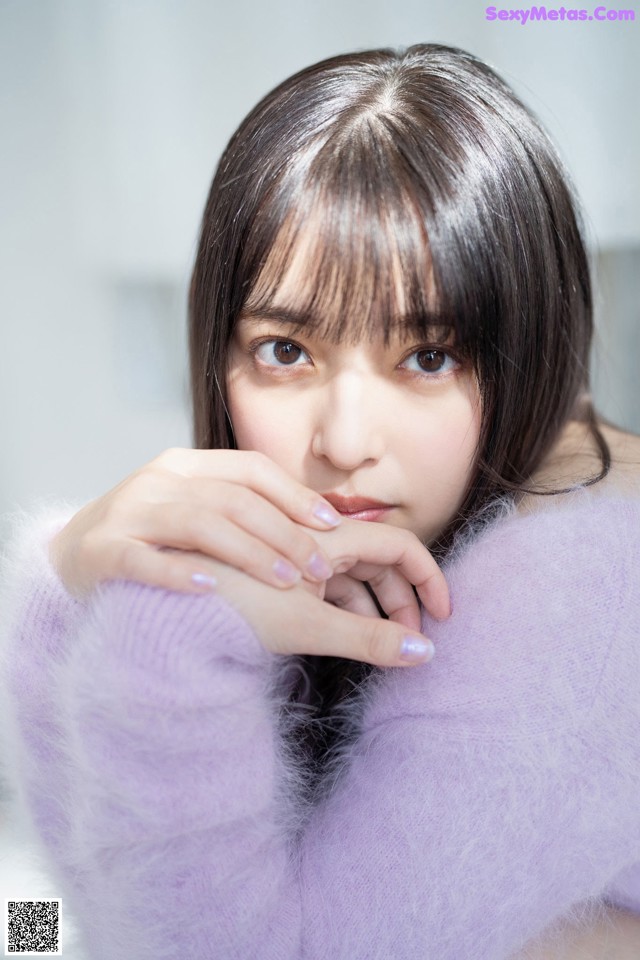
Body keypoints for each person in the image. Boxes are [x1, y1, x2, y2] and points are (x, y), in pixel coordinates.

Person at [1, 42, 639, 960]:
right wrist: (69, 588)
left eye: (428, 356)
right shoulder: (366, 545)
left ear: (525, 350)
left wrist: (162, 630)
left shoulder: (576, 588)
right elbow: (100, 907)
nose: (343, 441)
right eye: (285, 351)